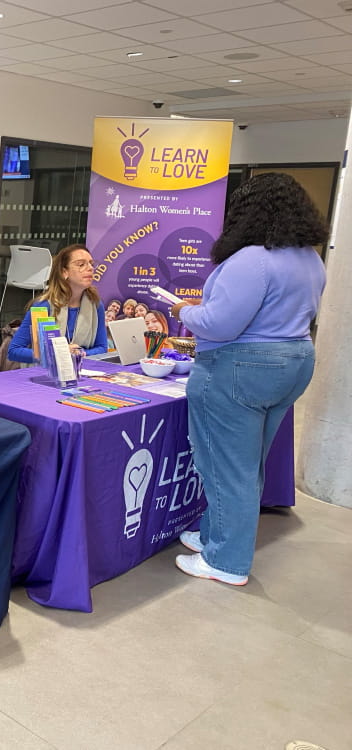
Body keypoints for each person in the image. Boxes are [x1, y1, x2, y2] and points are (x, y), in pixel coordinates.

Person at [170, 172, 327, 586]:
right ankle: (213, 534)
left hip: (240, 368)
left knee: (224, 466)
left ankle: (226, 560)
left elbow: (219, 325)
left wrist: (184, 312)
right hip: (294, 361)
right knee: (247, 463)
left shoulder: (250, 259)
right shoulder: (310, 257)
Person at [7, 244, 107, 363]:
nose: (90, 268)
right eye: (81, 264)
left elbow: (102, 347)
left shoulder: (95, 305)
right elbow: (14, 351)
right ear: (64, 272)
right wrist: (57, 353)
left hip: (84, 370)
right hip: (47, 373)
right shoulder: (43, 306)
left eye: (91, 263)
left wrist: (79, 354)